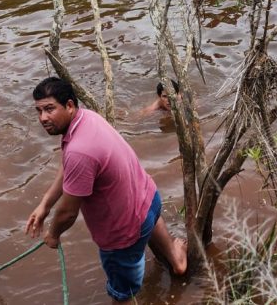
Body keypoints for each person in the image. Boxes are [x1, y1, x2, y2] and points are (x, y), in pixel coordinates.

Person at [25, 77, 187, 303]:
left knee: (122, 295)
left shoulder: (79, 151)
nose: (43, 118)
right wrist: (45, 204)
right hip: (149, 198)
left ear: (70, 105)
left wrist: (53, 235)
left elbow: (68, 213)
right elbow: (68, 165)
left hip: (124, 232)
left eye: (50, 109)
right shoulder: (88, 118)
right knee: (148, 222)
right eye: (39, 111)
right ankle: (177, 260)